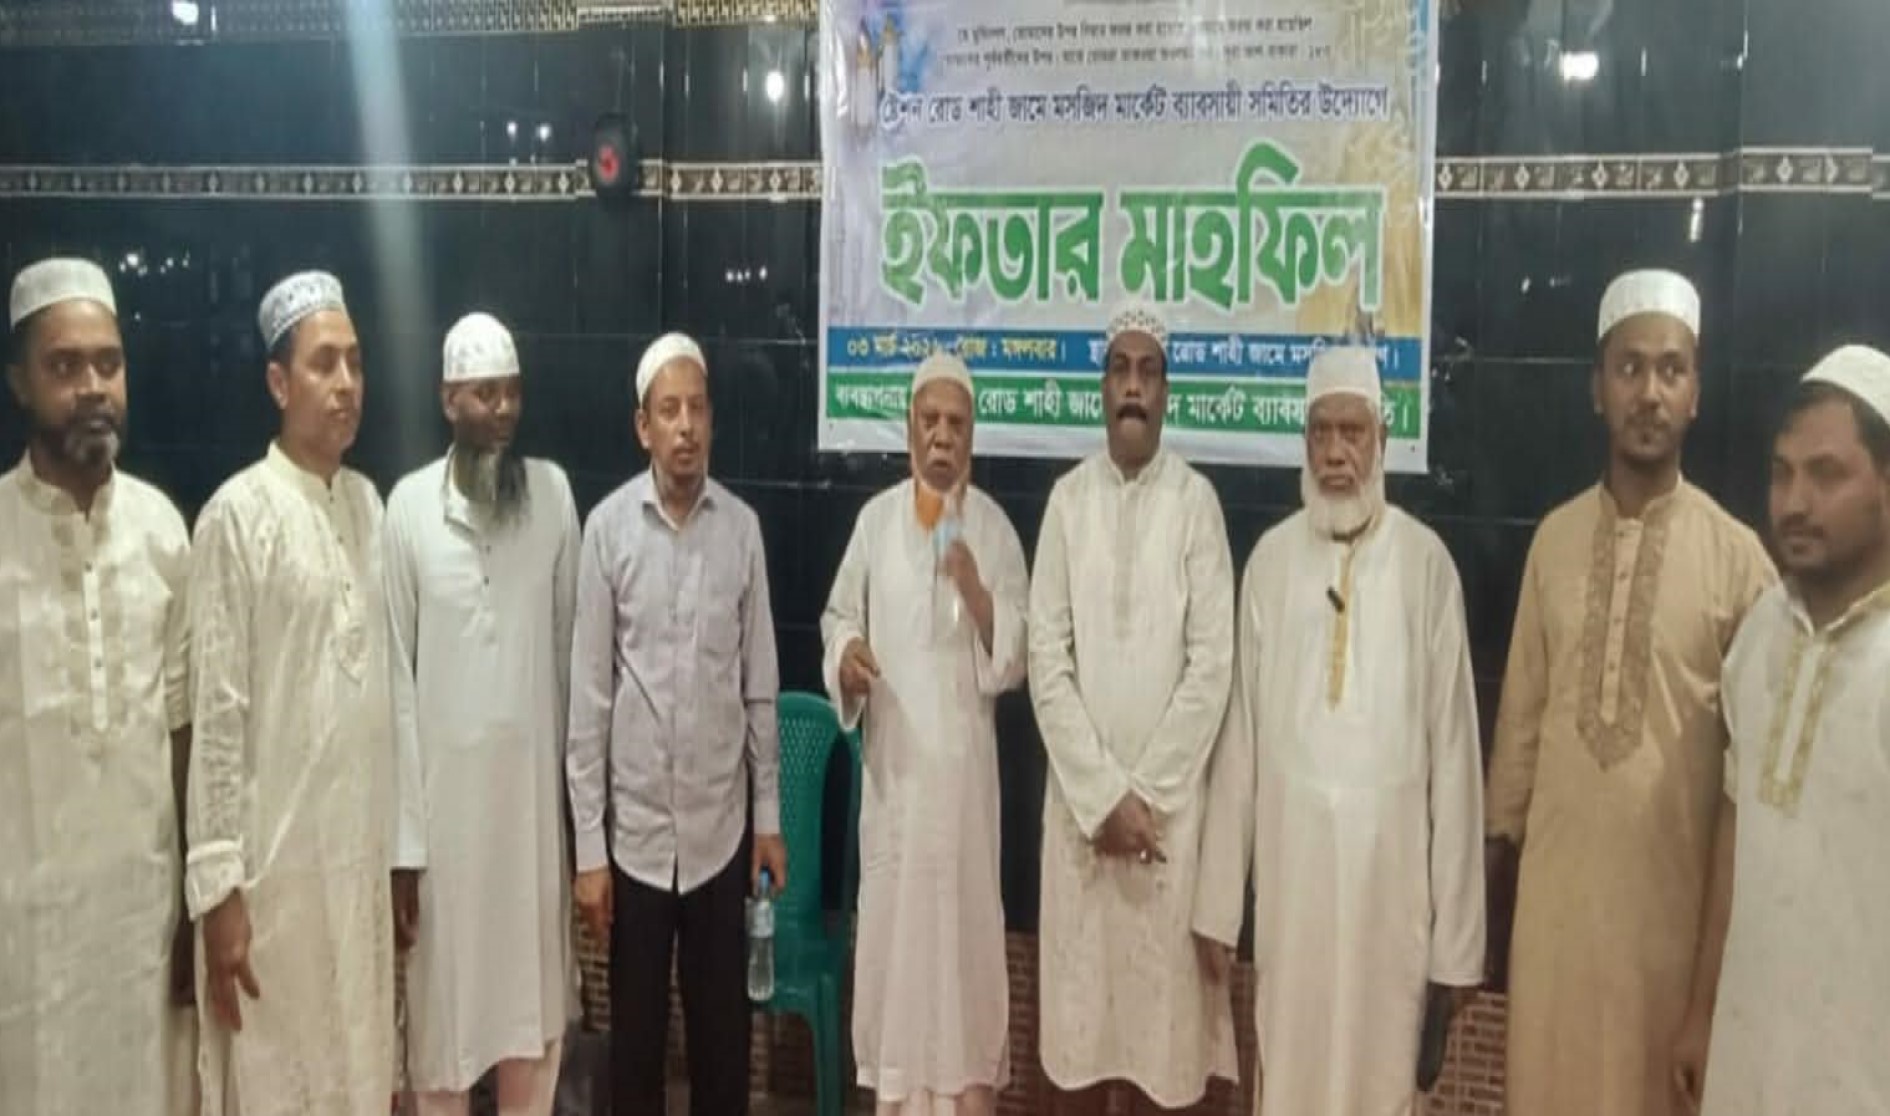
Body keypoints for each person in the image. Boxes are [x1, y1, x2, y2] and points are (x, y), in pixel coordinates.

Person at [1486, 270, 1774, 1116]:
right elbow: (1519, 737)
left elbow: (1753, 793)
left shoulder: (1740, 564)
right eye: (1630, 368)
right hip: (1554, 926)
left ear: (1696, 394)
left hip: (1671, 940)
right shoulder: (1553, 542)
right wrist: (1489, 915)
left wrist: (1720, 990)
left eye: (1671, 370)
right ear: (1597, 388)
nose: (1650, 392)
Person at [1192, 346, 1484, 1116]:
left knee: (1379, 1076)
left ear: (1382, 440)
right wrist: (1219, 904)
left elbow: (1456, 758)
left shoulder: (1426, 566)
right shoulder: (1271, 562)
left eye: (1352, 432)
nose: (1334, 453)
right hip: (1293, 886)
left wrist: (1457, 945)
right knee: (1290, 1064)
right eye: (1321, 432)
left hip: (1393, 894)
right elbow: (1240, 743)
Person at [185, 270, 396, 1115]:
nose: (346, 384)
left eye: (355, 363)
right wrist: (220, 895)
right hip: (272, 885)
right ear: (279, 383)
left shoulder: (369, 506)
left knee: (358, 1070)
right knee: (278, 1081)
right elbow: (218, 715)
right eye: (324, 364)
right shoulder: (236, 516)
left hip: (354, 870)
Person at [566, 332, 786, 1116]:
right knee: (635, 1054)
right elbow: (589, 700)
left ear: (712, 420)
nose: (685, 426)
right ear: (644, 427)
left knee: (723, 1052)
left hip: (720, 834)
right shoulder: (607, 531)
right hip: (635, 842)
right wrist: (589, 851)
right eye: (669, 410)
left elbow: (760, 686)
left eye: (697, 408)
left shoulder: (742, 530)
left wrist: (768, 822)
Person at [1671, 345, 1890, 1115]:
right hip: (1752, 1051)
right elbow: (1737, 828)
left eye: (1827, 475)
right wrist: (1702, 1011)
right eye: (1781, 473)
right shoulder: (1762, 629)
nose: (1795, 502)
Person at [0, 258, 196, 1115]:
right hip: (23, 936)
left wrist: (194, 906)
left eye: (108, 364)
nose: (91, 387)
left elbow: (184, 729)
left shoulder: (161, 531)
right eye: (64, 365)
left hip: (141, 922)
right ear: (19, 382)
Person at [1029, 305, 1235, 1113]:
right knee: (1079, 1056)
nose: (1134, 388)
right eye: (1120, 370)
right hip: (1083, 829)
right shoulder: (1067, 502)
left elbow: (1211, 666)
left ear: (1167, 392)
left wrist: (1142, 798)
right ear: (1102, 388)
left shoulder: (1197, 504)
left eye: (1149, 372)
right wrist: (1102, 798)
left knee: (1163, 1062)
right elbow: (1046, 659)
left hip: (1162, 832)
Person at [821, 351, 1029, 1115]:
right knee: (900, 959)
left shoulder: (995, 530)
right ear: (909, 428)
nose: (942, 436)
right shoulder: (876, 523)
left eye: (956, 424)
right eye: (930, 421)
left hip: (966, 807)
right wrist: (847, 657)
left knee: (964, 969)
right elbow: (839, 615)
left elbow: (1017, 657)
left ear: (973, 435)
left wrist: (974, 586)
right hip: (896, 796)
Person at [384, 312, 580, 1116]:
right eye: (483, 394)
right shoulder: (407, 509)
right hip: (444, 836)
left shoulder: (554, 496)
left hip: (529, 825)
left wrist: (577, 823)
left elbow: (569, 661)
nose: (501, 411)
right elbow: (395, 684)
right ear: (448, 401)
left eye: (511, 393)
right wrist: (402, 849)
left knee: (532, 1025)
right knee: (442, 1032)